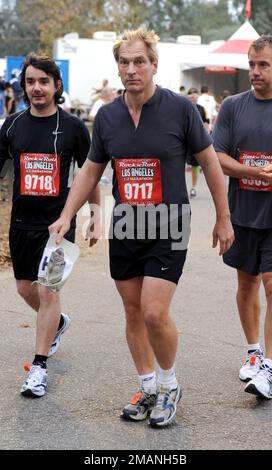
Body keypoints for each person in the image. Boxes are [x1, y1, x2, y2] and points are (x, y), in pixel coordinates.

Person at [50, 27, 234, 426]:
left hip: (168, 224)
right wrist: (68, 214)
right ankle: (148, 388)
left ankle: (170, 386)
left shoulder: (180, 110)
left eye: (139, 62)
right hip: (127, 225)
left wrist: (223, 216)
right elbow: (90, 171)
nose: (131, 69)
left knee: (153, 312)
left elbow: (210, 163)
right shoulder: (108, 116)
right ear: (117, 68)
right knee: (132, 313)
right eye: (124, 62)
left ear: (154, 64)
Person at [0, 54, 100, 398]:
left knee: (47, 291)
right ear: (23, 86)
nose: (36, 88)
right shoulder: (12, 125)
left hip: (58, 225)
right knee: (25, 290)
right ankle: (57, 323)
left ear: (57, 85)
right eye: (30, 82)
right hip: (21, 224)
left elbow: (92, 172)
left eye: (44, 81)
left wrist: (95, 214)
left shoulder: (72, 127)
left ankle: (39, 367)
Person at [213, 35, 272, 399]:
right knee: (247, 285)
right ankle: (254, 354)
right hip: (244, 212)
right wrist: (258, 175)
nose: (255, 72)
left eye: (263, 65)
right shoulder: (233, 106)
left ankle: (270, 369)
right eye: (251, 65)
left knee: (271, 283)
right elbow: (216, 155)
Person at [186, 87, 209, 198]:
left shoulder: (202, 109)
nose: (193, 96)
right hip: (183, 143)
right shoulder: (182, 107)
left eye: (195, 94)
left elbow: (205, 124)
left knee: (195, 166)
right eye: (191, 94)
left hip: (195, 142)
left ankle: (193, 188)